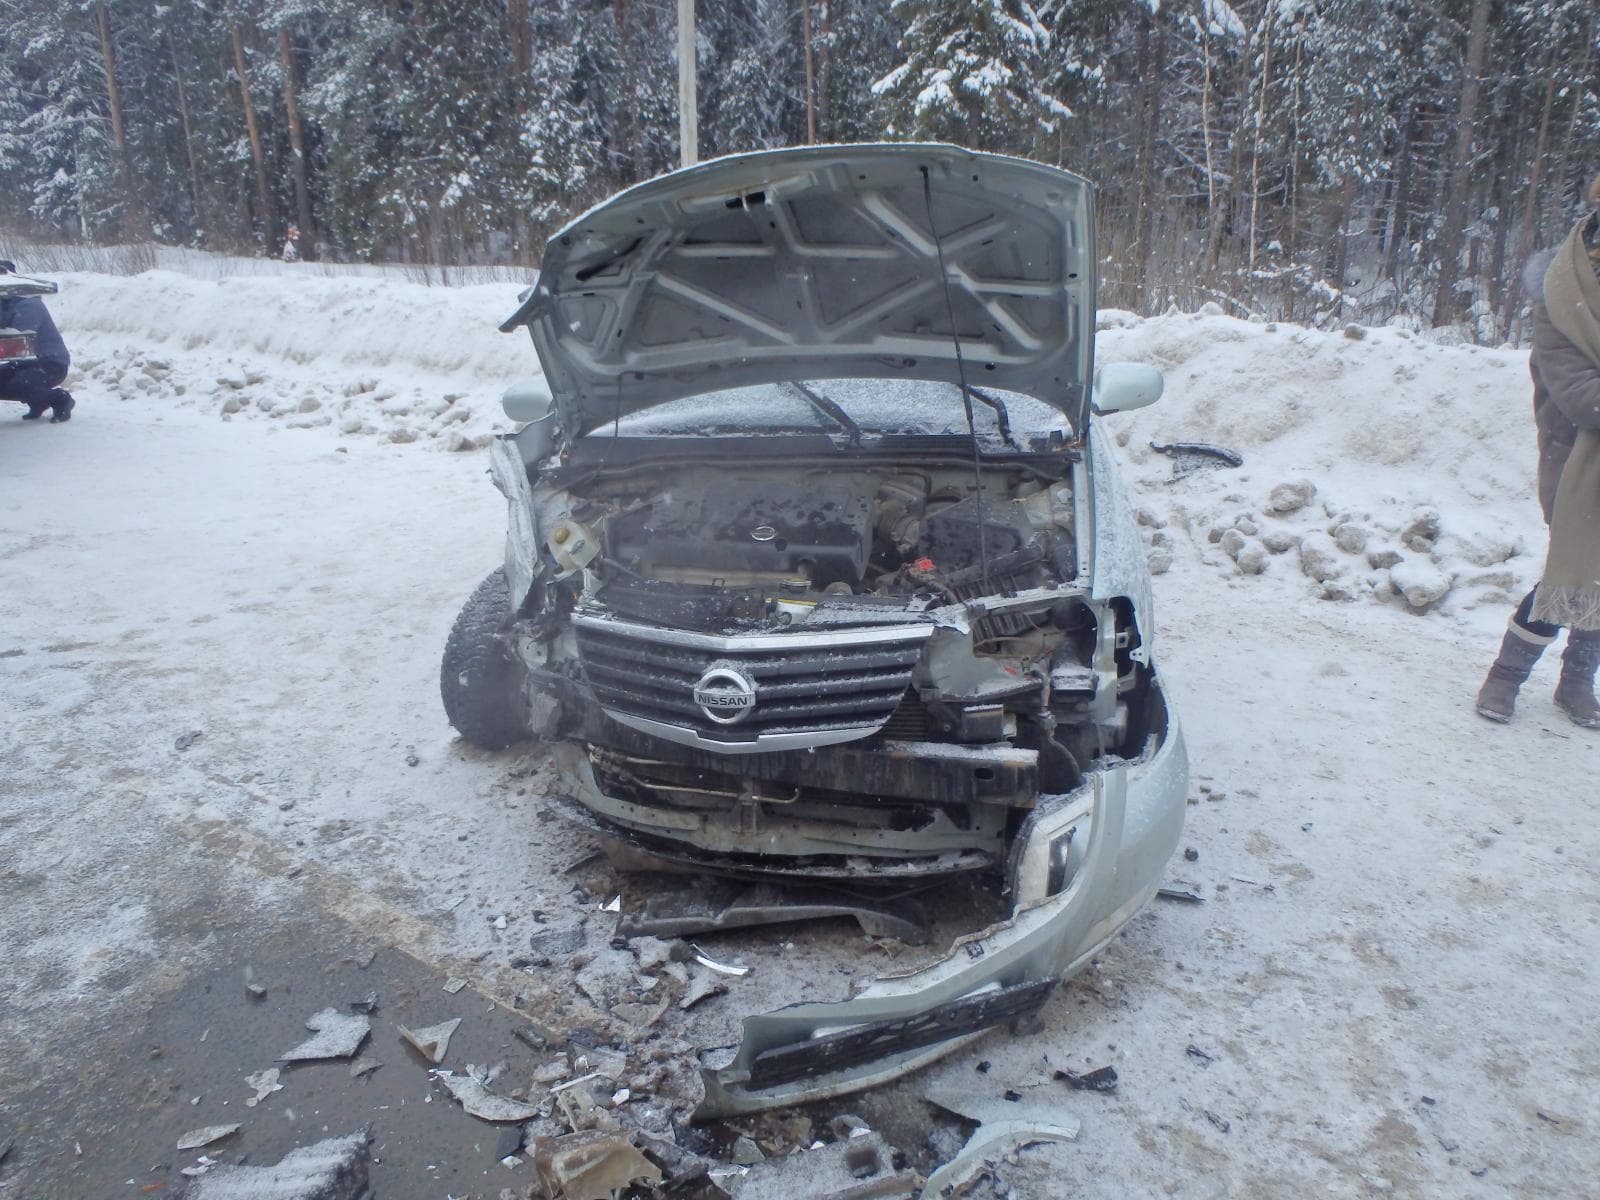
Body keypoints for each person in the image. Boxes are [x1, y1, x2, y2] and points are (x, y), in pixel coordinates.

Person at [1476, 174, 1600, 729]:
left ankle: (1576, 683)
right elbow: (1580, 395)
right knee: (1570, 570)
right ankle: (1505, 677)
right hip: (1575, 459)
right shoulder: (1561, 293)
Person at [0, 260, 74, 423]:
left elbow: (17, 337)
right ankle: (38, 402)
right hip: (21, 363)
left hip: (49, 363)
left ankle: (60, 399)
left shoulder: (29, 305)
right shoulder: (5, 304)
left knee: (21, 383)